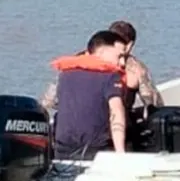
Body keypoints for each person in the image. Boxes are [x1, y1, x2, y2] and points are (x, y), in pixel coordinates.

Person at [49, 30, 128, 160]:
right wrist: (120, 152)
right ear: (102, 52)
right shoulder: (111, 77)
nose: (122, 62)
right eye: (119, 56)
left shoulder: (65, 74)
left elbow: (49, 104)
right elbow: (116, 112)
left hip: (62, 149)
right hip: (95, 150)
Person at [108, 20, 164, 110]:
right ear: (130, 45)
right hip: (121, 116)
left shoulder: (91, 59)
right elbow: (153, 103)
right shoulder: (136, 68)